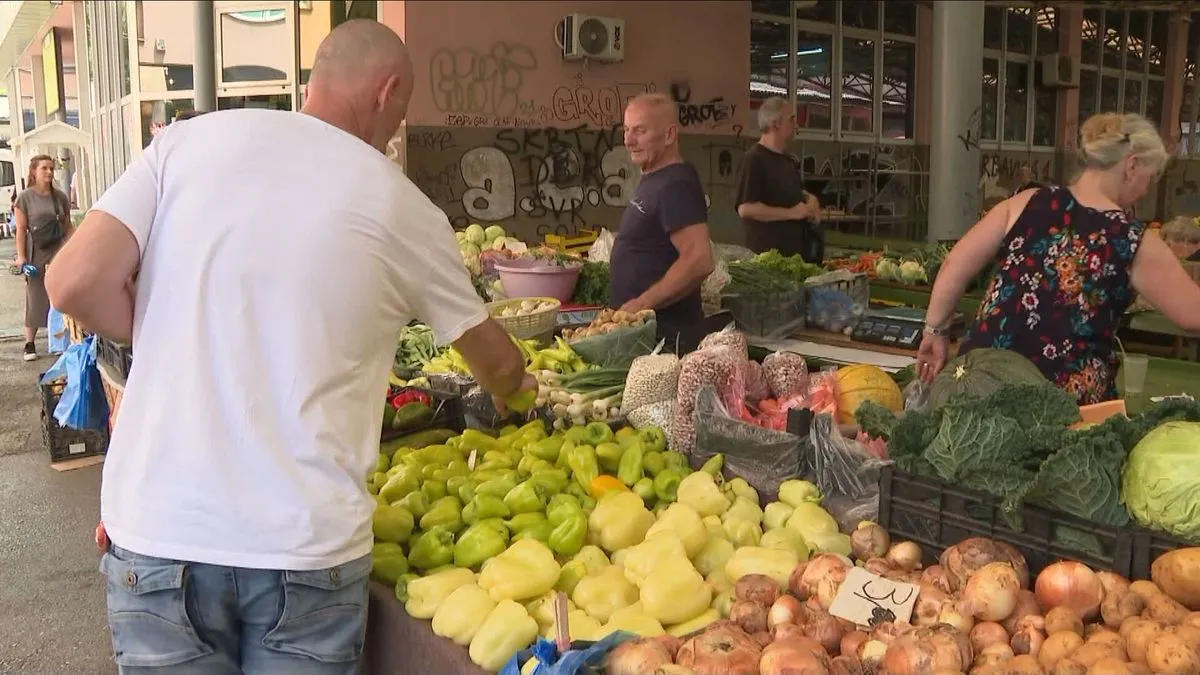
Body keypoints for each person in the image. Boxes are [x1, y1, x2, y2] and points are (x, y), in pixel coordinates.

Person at [46, 20, 534, 674]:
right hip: (305, 550)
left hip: (160, 534)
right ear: (388, 92)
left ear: (315, 81)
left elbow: (72, 281)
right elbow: (498, 362)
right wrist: (519, 393)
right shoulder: (404, 207)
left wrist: (167, 328)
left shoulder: (188, 143)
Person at [917, 113, 1200, 405]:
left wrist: (935, 331)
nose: (1146, 190)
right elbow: (1193, 315)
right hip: (1060, 406)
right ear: (1131, 166)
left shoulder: (1026, 202)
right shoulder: (1131, 239)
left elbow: (956, 263)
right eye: (1149, 179)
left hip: (974, 390)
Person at [609, 93, 715, 354]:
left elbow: (700, 259)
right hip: (645, 334)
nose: (628, 140)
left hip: (665, 339)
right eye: (626, 130)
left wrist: (641, 304)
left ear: (669, 135)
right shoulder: (655, 176)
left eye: (640, 131)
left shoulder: (676, 184)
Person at [735, 96, 822, 261]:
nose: (796, 125)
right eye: (791, 119)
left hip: (794, 256)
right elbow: (746, 209)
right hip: (767, 259)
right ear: (775, 123)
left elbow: (792, 191)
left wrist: (810, 199)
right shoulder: (753, 160)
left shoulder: (787, 160)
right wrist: (791, 213)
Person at [13, 155, 73, 361]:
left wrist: (75, 250)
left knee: (61, 294)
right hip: (36, 250)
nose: (49, 172)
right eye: (44, 168)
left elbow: (68, 227)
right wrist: (21, 257)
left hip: (58, 248)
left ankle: (63, 339)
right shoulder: (25, 198)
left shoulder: (60, 198)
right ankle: (29, 343)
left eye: (51, 168)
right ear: (34, 172)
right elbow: (21, 230)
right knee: (35, 294)